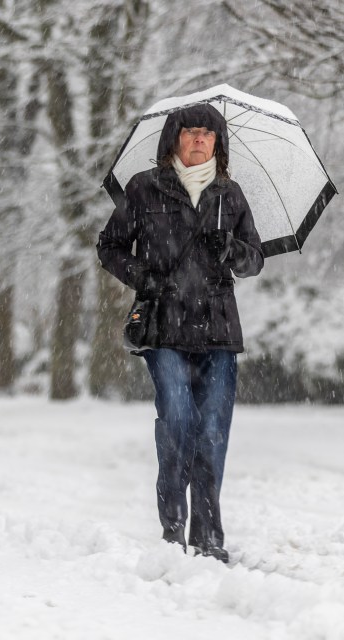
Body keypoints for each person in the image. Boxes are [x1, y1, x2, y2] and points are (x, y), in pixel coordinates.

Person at [96, 104, 264, 562]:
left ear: (218, 143)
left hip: (219, 331)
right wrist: (147, 279)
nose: (198, 141)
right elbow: (108, 247)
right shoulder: (144, 188)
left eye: (207, 135)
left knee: (212, 430)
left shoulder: (231, 195)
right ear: (173, 138)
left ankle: (210, 537)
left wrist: (231, 249)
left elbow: (256, 259)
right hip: (164, 327)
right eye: (190, 132)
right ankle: (173, 526)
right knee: (179, 420)